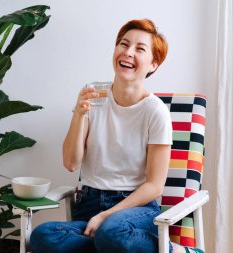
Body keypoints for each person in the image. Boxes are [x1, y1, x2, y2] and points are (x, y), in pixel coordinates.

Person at [30, 19, 175, 253]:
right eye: (123, 44)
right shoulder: (94, 95)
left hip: (135, 208)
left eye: (139, 49)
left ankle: (168, 248)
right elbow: (70, 163)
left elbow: (155, 186)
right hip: (89, 202)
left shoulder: (155, 111)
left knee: (112, 232)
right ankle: (117, 246)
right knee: (42, 236)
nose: (128, 53)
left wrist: (107, 215)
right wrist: (79, 114)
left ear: (153, 64)